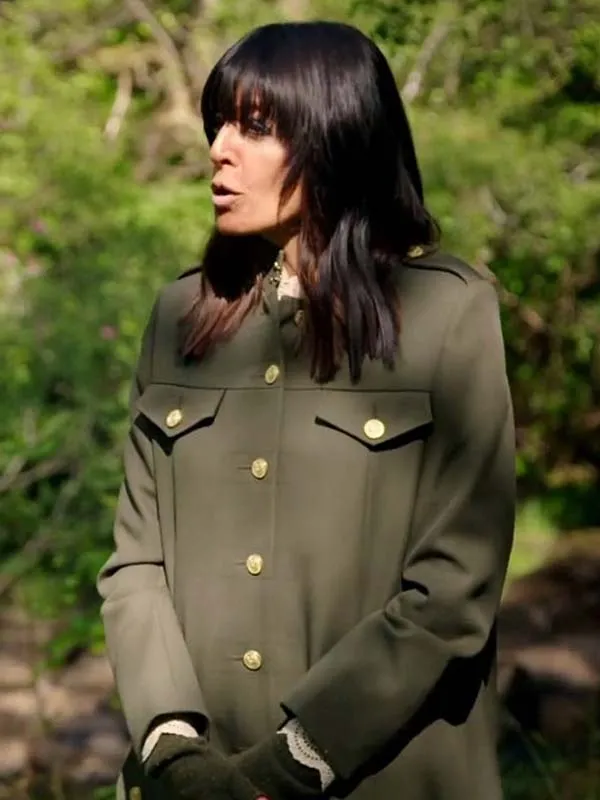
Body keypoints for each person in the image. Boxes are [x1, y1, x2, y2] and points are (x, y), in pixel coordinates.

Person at [97, 19, 516, 800]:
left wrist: (294, 760)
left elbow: (455, 585)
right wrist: (171, 745)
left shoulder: (446, 314)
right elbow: (135, 563)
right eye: (218, 123)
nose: (219, 149)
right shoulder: (180, 315)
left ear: (337, 139)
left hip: (379, 776)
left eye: (255, 127)